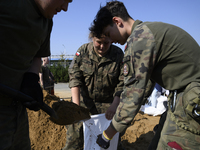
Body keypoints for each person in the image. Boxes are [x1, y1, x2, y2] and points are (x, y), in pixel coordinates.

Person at [89, 1, 200, 149]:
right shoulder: (146, 31)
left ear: (117, 21)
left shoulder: (139, 39)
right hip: (183, 96)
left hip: (190, 99)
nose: (111, 41)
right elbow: (145, 85)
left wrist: (107, 134)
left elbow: (132, 95)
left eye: (109, 34)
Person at [0, 0, 72, 149]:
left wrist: (31, 79)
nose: (65, 8)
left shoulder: (47, 21)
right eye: (65, 0)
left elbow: (37, 56)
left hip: (16, 110)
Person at [62, 32, 124, 150]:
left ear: (111, 40)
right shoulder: (83, 51)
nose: (102, 46)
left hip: (108, 104)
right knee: (74, 136)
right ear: (92, 38)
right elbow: (75, 78)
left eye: (106, 43)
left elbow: (122, 83)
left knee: (112, 139)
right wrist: (76, 107)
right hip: (84, 101)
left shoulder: (118, 54)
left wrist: (115, 105)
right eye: (98, 42)